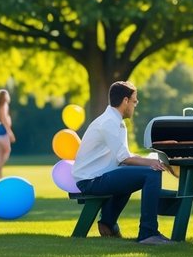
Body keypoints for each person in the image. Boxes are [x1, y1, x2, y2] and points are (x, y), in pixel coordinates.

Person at [72, 81, 175, 245]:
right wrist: (151, 163)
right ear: (125, 101)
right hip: (90, 181)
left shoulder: (114, 120)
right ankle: (148, 234)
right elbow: (124, 158)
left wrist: (154, 160)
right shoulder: (109, 122)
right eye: (134, 101)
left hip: (97, 177)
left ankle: (107, 222)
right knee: (151, 173)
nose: (135, 105)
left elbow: (125, 156)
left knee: (139, 170)